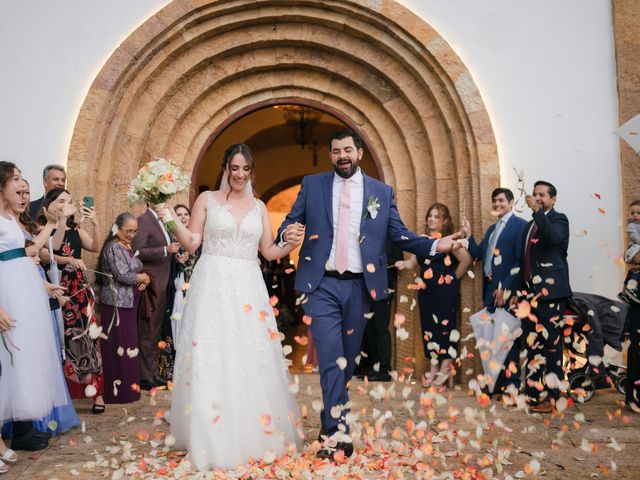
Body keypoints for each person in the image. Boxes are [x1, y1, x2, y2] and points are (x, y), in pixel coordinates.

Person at [278, 129, 461, 459]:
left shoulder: (380, 191)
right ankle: (337, 434)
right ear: (330, 155)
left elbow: (400, 235)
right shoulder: (312, 185)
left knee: (346, 362)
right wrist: (286, 231)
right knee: (332, 358)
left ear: (359, 152)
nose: (342, 156)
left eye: (347, 149)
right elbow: (291, 222)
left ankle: (329, 419)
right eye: (335, 151)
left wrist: (435, 245)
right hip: (322, 285)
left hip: (361, 287)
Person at [159, 144, 303, 471]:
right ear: (225, 168)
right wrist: (168, 218)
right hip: (212, 283)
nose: (239, 175)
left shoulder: (260, 207)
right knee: (212, 353)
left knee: (248, 355)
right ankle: (209, 433)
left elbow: (268, 251)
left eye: (245, 169)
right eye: (234, 168)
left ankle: (252, 429)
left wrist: (290, 244)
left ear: (251, 172)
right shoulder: (206, 200)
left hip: (248, 286)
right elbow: (192, 242)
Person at [0, 162, 68, 452]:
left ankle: (23, 427)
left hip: (23, 288)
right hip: (7, 290)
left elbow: (28, 252)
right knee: (9, 355)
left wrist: (52, 223)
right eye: (16, 179)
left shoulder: (11, 219)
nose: (22, 184)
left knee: (24, 355)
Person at [396, 203, 472, 390]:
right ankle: (434, 365)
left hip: (445, 292)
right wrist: (403, 264)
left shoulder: (448, 241)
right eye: (430, 215)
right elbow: (414, 262)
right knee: (429, 327)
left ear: (444, 221)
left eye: (436, 216)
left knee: (444, 328)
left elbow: (466, 260)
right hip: (426, 292)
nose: (431, 219)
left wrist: (453, 278)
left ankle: (445, 367)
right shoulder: (423, 240)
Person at [512, 180, 572, 413]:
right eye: (535, 194)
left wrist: (538, 212)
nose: (537, 198)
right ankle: (534, 393)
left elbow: (553, 238)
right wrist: (519, 292)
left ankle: (554, 397)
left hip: (551, 294)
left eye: (542, 195)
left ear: (552, 199)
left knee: (552, 345)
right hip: (529, 294)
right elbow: (523, 259)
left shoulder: (559, 220)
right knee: (532, 344)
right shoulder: (529, 226)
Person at [44, 188, 105, 413]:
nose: (66, 205)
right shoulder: (45, 229)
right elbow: (52, 250)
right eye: (61, 201)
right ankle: (66, 394)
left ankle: (97, 393)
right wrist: (60, 221)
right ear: (51, 205)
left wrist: (95, 224)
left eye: (69, 201)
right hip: (60, 290)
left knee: (90, 340)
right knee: (64, 341)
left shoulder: (76, 230)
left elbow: (96, 247)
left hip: (80, 291)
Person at [462, 187, 527, 396]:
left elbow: (520, 261)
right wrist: (469, 235)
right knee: (492, 338)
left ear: (511, 202)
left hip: (506, 291)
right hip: (489, 290)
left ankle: (513, 384)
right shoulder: (492, 229)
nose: (497, 204)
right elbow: (478, 254)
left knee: (508, 338)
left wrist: (506, 288)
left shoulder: (520, 226)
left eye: (501, 200)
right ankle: (496, 383)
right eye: (494, 201)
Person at [98, 213, 151, 404]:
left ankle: (129, 390)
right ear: (117, 228)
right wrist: (142, 278)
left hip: (128, 303)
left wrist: (144, 280)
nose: (132, 234)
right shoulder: (113, 247)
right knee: (117, 346)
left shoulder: (126, 246)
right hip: (115, 304)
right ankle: (116, 393)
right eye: (128, 230)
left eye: (135, 231)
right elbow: (123, 275)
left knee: (129, 345)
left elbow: (133, 271)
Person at [131, 200, 180, 390]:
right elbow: (137, 251)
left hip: (164, 281)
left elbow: (173, 242)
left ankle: (152, 373)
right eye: (163, 198)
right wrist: (164, 250)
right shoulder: (144, 220)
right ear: (151, 199)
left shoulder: (164, 221)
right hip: (151, 282)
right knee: (147, 329)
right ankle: (145, 376)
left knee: (154, 331)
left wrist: (174, 254)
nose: (166, 202)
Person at [158, 204, 200, 380]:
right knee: (170, 328)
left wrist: (187, 259)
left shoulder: (197, 238)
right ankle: (169, 370)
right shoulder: (169, 237)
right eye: (179, 214)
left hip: (193, 290)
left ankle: (191, 369)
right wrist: (174, 258)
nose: (183, 217)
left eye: (186, 214)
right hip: (172, 291)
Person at [357, 241, 403, 382]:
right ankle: (371, 366)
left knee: (381, 328)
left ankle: (384, 369)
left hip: (383, 286)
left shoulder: (391, 235)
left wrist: (376, 259)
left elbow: (398, 262)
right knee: (367, 328)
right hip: (365, 286)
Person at [625, 249, 640, 413]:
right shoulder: (635, 274)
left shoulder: (633, 273)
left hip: (635, 321)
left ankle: (632, 396)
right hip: (637, 320)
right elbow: (631, 297)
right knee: (636, 355)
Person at [620, 200, 640, 304]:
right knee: (636, 271)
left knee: (636, 270)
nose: (635, 215)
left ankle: (625, 292)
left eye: (638, 213)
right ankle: (631, 290)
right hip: (633, 250)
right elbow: (635, 237)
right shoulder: (631, 226)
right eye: (632, 213)